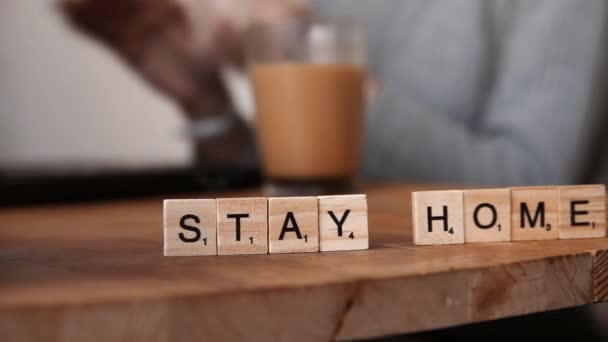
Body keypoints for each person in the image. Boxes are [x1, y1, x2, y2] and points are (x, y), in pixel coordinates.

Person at [61, 0, 608, 187]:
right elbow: (313, 192)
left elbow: (531, 186)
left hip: (497, 314)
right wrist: (205, 107)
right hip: (332, 302)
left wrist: (299, 43)